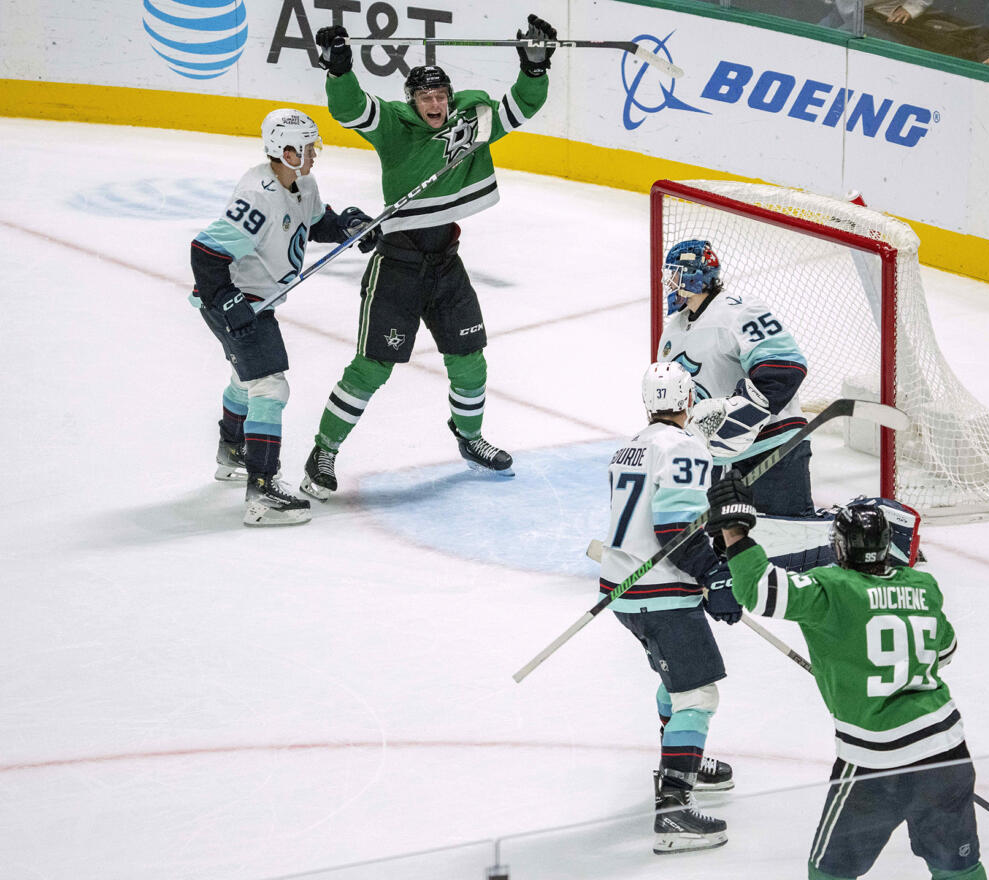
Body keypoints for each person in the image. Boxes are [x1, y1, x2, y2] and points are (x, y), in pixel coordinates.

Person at [300, 14, 556, 500]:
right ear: (411, 101)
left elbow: (521, 106)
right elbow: (351, 108)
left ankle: (469, 436)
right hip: (397, 264)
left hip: (445, 261)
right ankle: (324, 449)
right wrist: (339, 71)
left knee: (470, 359)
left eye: (440, 97)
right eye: (424, 98)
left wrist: (535, 68)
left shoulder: (470, 122)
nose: (434, 105)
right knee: (372, 367)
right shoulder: (394, 128)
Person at [706, 473, 987, 880]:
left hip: (877, 762)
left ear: (839, 547)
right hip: (946, 750)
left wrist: (734, 531)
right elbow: (944, 651)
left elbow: (759, 590)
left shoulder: (832, 588)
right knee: (957, 868)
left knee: (830, 872)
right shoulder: (924, 586)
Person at [190, 108, 373, 526]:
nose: (314, 155)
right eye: (308, 148)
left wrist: (346, 226)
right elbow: (204, 253)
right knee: (270, 387)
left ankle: (232, 450)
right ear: (285, 151)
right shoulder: (257, 195)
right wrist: (227, 299)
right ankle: (262, 492)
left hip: (253, 300)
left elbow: (314, 223)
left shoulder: (302, 182)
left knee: (247, 379)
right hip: (238, 301)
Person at [601, 362, 743, 855]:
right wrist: (715, 574)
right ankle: (673, 808)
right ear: (687, 402)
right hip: (660, 591)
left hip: (625, 588)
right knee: (697, 695)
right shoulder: (683, 447)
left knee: (675, 680)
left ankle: (676, 763)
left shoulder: (629, 447)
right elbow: (675, 530)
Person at [657, 240, 814, 518]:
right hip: (715, 459)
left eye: (676, 274)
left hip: (772, 449)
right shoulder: (673, 331)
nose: (670, 282)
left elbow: (785, 367)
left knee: (788, 540)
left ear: (696, 277)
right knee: (726, 549)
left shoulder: (739, 311)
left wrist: (738, 418)